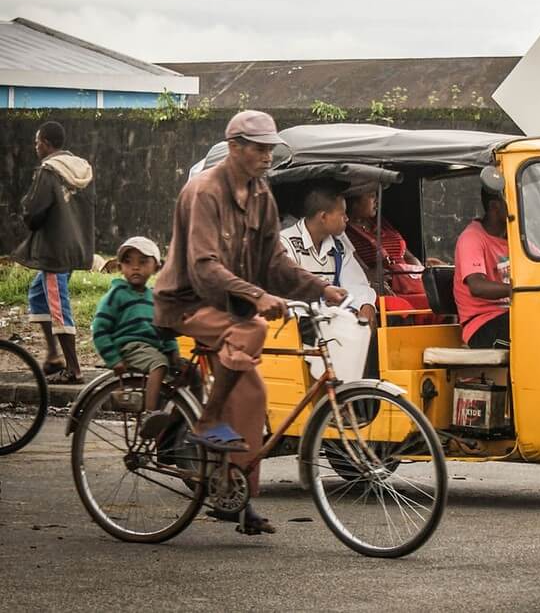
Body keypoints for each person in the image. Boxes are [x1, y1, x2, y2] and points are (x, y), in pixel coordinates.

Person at [154, 110, 344, 535]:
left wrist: (320, 288)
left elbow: (274, 262)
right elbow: (203, 267)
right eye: (258, 148)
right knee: (252, 328)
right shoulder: (203, 191)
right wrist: (257, 295)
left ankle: (236, 499)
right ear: (235, 147)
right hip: (186, 302)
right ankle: (205, 422)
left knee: (254, 397)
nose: (265, 156)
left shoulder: (261, 194)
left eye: (269, 149)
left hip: (227, 307)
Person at [12, 121, 95, 384]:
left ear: (46, 143)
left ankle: (73, 368)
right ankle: (52, 355)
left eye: (37, 142)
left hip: (54, 252)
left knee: (59, 308)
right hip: (75, 247)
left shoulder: (48, 171)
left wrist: (26, 211)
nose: (36, 147)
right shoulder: (82, 170)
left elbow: (34, 213)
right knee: (38, 294)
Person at [280, 187, 377, 379]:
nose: (347, 219)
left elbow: (356, 283)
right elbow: (287, 284)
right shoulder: (286, 242)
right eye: (342, 214)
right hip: (297, 322)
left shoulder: (338, 247)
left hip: (328, 320)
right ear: (323, 217)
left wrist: (366, 304)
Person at [92, 237, 177, 438]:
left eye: (142, 262)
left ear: (155, 267)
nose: (135, 268)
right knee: (160, 365)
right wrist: (113, 358)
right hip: (129, 346)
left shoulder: (154, 296)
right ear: (120, 267)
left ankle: (174, 434)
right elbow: (100, 328)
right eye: (129, 262)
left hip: (150, 348)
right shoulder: (117, 293)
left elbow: (164, 329)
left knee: (184, 375)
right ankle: (149, 416)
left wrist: (173, 351)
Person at [345, 190, 436, 310]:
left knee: (439, 300)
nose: (377, 200)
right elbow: (360, 271)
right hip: (385, 288)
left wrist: (418, 276)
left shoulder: (383, 223)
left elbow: (409, 257)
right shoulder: (345, 233)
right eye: (372, 196)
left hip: (409, 285)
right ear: (354, 201)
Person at [453, 187, 511, 349]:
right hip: (483, 324)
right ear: (494, 206)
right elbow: (477, 286)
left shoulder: (514, 238)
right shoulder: (472, 238)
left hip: (510, 316)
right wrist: (518, 289)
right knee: (536, 331)